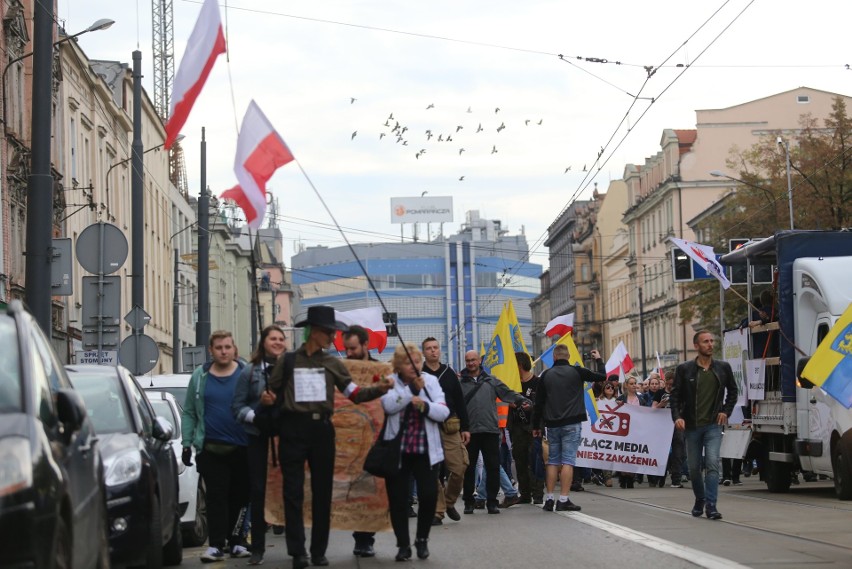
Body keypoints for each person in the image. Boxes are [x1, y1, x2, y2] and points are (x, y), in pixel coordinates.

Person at [266, 306, 394, 569]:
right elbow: (271, 392)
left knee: (322, 492)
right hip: (293, 430)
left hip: (322, 431)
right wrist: (266, 398)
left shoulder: (332, 363)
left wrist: (379, 389)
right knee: (293, 493)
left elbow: (354, 393)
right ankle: (297, 552)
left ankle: (318, 551)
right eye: (328, 332)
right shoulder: (288, 361)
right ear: (314, 331)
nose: (332, 337)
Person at [182, 330, 252, 563]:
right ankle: (215, 545)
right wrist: (186, 443)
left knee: (240, 496)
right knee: (216, 497)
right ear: (211, 351)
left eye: (227, 347)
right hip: (211, 448)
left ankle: (237, 542)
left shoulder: (246, 374)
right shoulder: (200, 377)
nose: (223, 351)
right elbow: (190, 412)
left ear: (234, 350)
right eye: (219, 347)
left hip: (242, 446)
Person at [380, 343, 449, 561]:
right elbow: (388, 406)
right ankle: (403, 544)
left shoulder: (430, 381)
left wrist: (425, 406)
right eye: (409, 362)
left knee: (428, 495)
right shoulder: (390, 382)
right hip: (398, 450)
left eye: (417, 362)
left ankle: (422, 539)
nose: (414, 366)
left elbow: (443, 411)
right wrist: (411, 391)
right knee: (398, 499)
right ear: (399, 365)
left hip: (425, 449)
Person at [232, 325, 288, 565]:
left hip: (287, 438)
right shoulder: (250, 372)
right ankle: (257, 548)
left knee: (292, 489)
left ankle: (298, 546)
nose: (277, 342)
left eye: (281, 339)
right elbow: (237, 407)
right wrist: (257, 415)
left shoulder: (291, 369)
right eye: (272, 338)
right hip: (257, 437)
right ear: (263, 342)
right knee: (258, 490)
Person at [671, 330, 738, 521]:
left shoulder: (723, 368)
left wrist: (726, 410)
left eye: (711, 341)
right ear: (697, 346)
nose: (710, 344)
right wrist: (677, 416)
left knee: (712, 463)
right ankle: (699, 498)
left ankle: (711, 505)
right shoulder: (685, 369)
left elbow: (733, 391)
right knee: (693, 468)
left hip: (713, 426)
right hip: (691, 426)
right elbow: (675, 396)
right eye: (705, 341)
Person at [532, 345, 605, 512]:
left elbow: (539, 403)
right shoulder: (577, 371)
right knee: (568, 461)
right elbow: (603, 376)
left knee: (552, 461)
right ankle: (563, 499)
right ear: (569, 356)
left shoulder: (546, 375)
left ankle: (549, 499)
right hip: (572, 423)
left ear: (555, 358)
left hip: (552, 424)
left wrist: (536, 426)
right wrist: (598, 359)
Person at [459, 350, 532, 515]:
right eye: (468, 360)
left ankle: (491, 502)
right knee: (469, 468)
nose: (470, 363)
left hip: (490, 430)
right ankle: (469, 502)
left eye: (473, 360)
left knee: (492, 467)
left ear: (479, 361)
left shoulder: (491, 381)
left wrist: (522, 400)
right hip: (469, 432)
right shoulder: (460, 383)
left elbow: (507, 393)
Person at [339, 324, 383, 557]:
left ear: (366, 345)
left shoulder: (380, 370)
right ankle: (361, 537)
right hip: (349, 438)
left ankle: (368, 536)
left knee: (371, 490)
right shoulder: (341, 370)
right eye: (346, 349)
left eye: (353, 348)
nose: (348, 353)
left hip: (376, 439)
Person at [421, 337, 470, 526]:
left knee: (458, 469)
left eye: (435, 348)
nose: (433, 351)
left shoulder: (449, 373)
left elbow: (460, 401)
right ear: (423, 352)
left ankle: (449, 502)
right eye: (429, 348)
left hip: (450, 426)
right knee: (432, 472)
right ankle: (438, 511)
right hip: (427, 427)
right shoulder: (419, 375)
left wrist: (465, 428)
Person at [508, 351, 543, 504]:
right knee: (520, 460)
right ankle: (525, 493)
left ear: (520, 365)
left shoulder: (537, 382)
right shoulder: (513, 384)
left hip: (533, 426)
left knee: (535, 460)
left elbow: (541, 404)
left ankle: (538, 493)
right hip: (516, 427)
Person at [653, 370, 686, 488]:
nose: (669, 386)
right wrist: (662, 403)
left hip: (676, 425)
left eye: (672, 384)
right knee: (662, 452)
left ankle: (676, 479)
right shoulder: (660, 393)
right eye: (668, 384)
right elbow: (653, 408)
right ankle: (660, 477)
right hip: (662, 426)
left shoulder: (680, 393)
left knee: (678, 452)